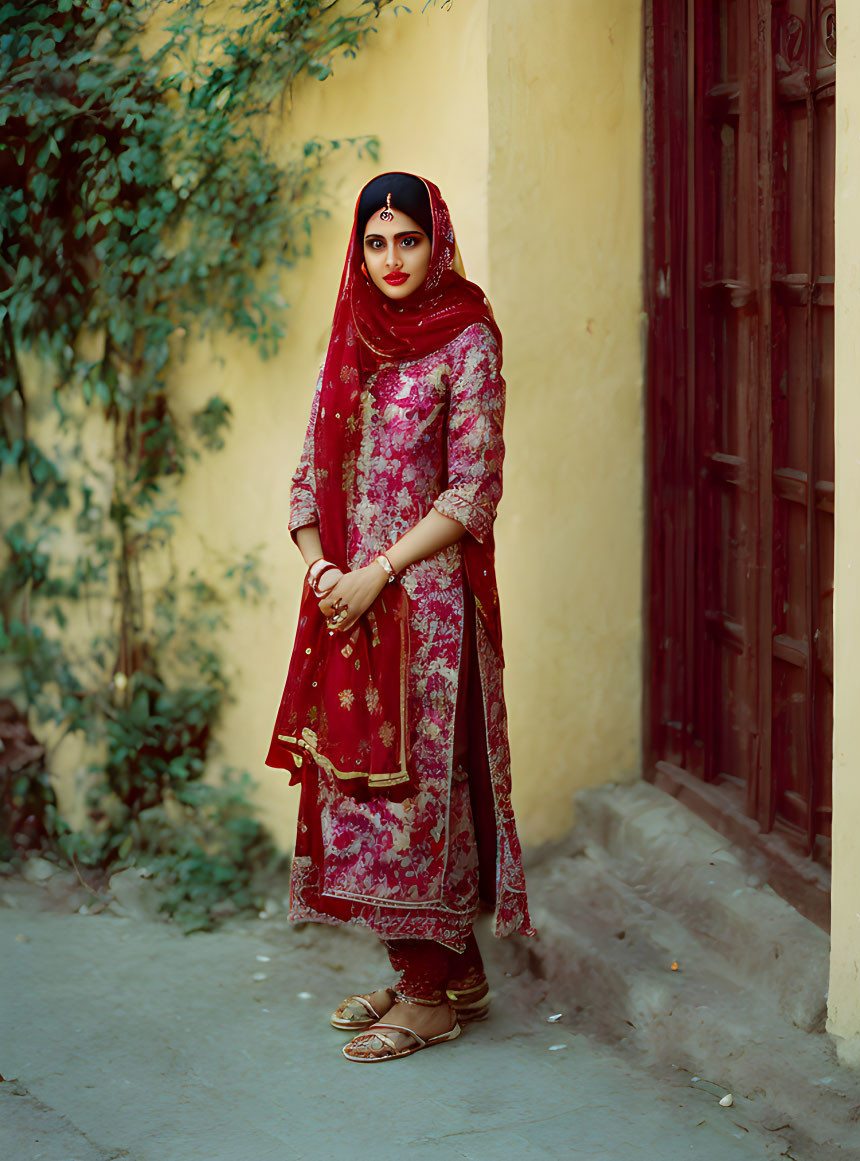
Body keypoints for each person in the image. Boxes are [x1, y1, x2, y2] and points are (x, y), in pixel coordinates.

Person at [266, 171, 533, 1063]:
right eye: (375, 241)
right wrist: (325, 571)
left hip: (426, 611)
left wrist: (380, 570)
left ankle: (426, 999)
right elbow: (307, 476)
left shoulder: (467, 341)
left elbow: (472, 491)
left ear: (436, 242)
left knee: (417, 797)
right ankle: (447, 972)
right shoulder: (351, 337)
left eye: (406, 239)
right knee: (356, 794)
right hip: (349, 603)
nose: (390, 259)